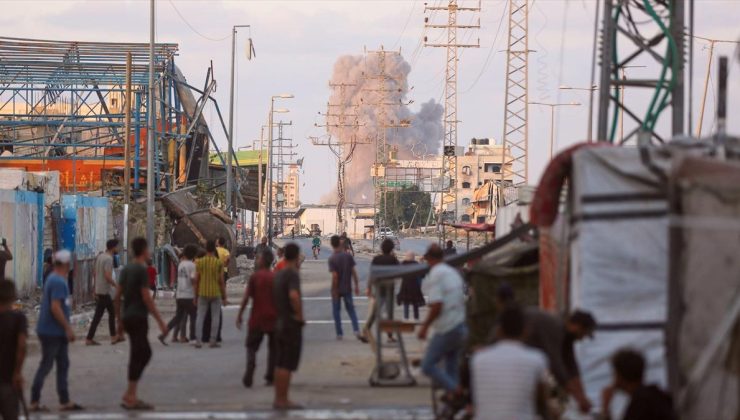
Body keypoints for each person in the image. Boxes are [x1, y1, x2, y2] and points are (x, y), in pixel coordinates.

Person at [114, 237, 167, 411]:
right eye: (148, 249)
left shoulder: (126, 269)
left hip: (128, 317)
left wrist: (119, 322)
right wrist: (160, 322)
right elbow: (146, 297)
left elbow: (117, 297)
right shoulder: (141, 270)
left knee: (137, 354)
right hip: (138, 317)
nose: (149, 252)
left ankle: (131, 395)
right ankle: (130, 395)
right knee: (143, 353)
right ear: (143, 250)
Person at [471, 305, 550, 420]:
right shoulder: (537, 359)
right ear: (525, 331)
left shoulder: (478, 359)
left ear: (498, 331)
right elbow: (541, 401)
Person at [30, 250, 83, 412]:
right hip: (52, 331)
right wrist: (68, 328)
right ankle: (34, 401)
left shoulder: (54, 278)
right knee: (46, 365)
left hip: (54, 331)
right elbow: (55, 307)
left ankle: (64, 400)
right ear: (66, 264)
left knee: (63, 364)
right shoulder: (58, 281)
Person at [524, 308, 597, 414]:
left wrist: (582, 397)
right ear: (577, 326)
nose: (581, 339)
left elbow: (571, 366)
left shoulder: (566, 334)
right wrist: (578, 397)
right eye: (583, 334)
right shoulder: (556, 328)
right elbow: (556, 366)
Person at [418, 243, 467, 397]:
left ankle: (456, 391)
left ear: (430, 259)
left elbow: (437, 305)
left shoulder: (436, 274)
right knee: (451, 365)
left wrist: (424, 327)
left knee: (427, 365)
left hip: (447, 327)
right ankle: (454, 397)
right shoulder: (452, 272)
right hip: (460, 325)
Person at [236, 249, 277, 387]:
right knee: (273, 348)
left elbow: (247, 298)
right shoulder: (275, 277)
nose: (256, 260)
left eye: (258, 258)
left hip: (257, 317)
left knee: (251, 346)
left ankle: (251, 367)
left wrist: (240, 315)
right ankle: (270, 375)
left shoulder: (256, 277)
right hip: (273, 317)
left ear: (263, 261)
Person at [601, 348, 677, 420]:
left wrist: (606, 407)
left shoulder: (640, 403)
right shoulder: (658, 395)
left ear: (620, 377)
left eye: (614, 374)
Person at [272, 243, 305, 410]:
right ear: (296, 256)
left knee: (280, 363)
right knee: (287, 363)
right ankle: (283, 399)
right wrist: (299, 316)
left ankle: (279, 397)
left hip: (278, 321)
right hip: (289, 323)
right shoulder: (292, 274)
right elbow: (293, 296)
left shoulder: (278, 273)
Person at [363, 238, 399, 345]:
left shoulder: (376, 259)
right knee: (390, 313)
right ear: (392, 248)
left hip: (378, 288)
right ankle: (390, 335)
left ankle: (366, 331)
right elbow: (398, 273)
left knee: (374, 312)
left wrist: (369, 287)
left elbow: (372, 274)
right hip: (390, 289)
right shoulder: (393, 260)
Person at [159, 244, 198, 344]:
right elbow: (193, 280)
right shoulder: (192, 266)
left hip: (179, 295)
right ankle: (193, 338)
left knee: (178, 317)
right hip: (188, 295)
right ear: (194, 255)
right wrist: (196, 296)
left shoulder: (181, 265)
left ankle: (163, 334)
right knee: (194, 316)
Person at [86, 239, 122, 346]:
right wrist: (116, 285)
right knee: (103, 315)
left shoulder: (100, 257)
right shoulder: (108, 259)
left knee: (108, 314)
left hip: (100, 290)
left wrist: (94, 289)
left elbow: (95, 273)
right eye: (117, 246)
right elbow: (107, 276)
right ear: (113, 247)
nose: (118, 248)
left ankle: (113, 337)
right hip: (105, 291)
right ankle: (92, 338)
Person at [0, 279, 27, 420]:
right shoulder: (18, 318)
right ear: (12, 296)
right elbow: (22, 346)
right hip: (8, 381)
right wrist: (17, 373)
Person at [328, 235, 361, 341]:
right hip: (347, 288)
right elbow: (354, 272)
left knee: (336, 311)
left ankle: (339, 333)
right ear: (339, 243)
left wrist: (334, 289)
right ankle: (356, 330)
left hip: (337, 289)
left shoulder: (332, 258)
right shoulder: (348, 256)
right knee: (351, 310)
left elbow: (335, 276)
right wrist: (356, 285)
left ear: (332, 244)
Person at [194, 240, 227, 348]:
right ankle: (213, 341)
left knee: (200, 316)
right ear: (214, 249)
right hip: (215, 293)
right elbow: (221, 281)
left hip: (202, 292)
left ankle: (198, 341)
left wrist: (195, 296)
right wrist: (224, 297)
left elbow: (197, 280)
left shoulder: (200, 262)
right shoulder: (218, 263)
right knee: (215, 317)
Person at [396, 251, 425, 321]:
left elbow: (398, 272)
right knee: (415, 303)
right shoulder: (416, 264)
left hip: (405, 285)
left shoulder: (403, 264)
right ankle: (416, 317)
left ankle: (406, 317)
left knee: (406, 302)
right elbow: (422, 275)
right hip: (414, 286)